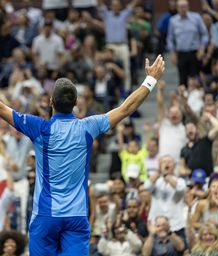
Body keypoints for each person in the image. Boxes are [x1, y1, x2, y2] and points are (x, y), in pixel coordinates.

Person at [0, 54, 165, 255]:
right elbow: (125, 109)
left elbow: (1, 108)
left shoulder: (39, 128)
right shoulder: (88, 127)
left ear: (51, 101)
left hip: (45, 216)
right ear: (76, 102)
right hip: (75, 217)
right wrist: (151, 79)